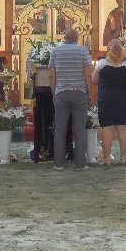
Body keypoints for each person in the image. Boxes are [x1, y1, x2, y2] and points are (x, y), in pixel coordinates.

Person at [48, 27, 93, 171]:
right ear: (76, 39)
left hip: (61, 92)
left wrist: (54, 92)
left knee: (60, 129)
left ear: (64, 38)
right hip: (79, 92)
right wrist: (90, 92)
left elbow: (52, 75)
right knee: (79, 129)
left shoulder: (56, 51)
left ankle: (59, 164)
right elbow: (88, 75)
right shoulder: (83, 51)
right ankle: (80, 164)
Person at [92, 40, 126, 167]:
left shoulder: (102, 64)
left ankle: (107, 158)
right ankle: (123, 158)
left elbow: (94, 80)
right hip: (123, 99)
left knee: (107, 128)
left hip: (106, 98)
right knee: (123, 128)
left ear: (108, 51)